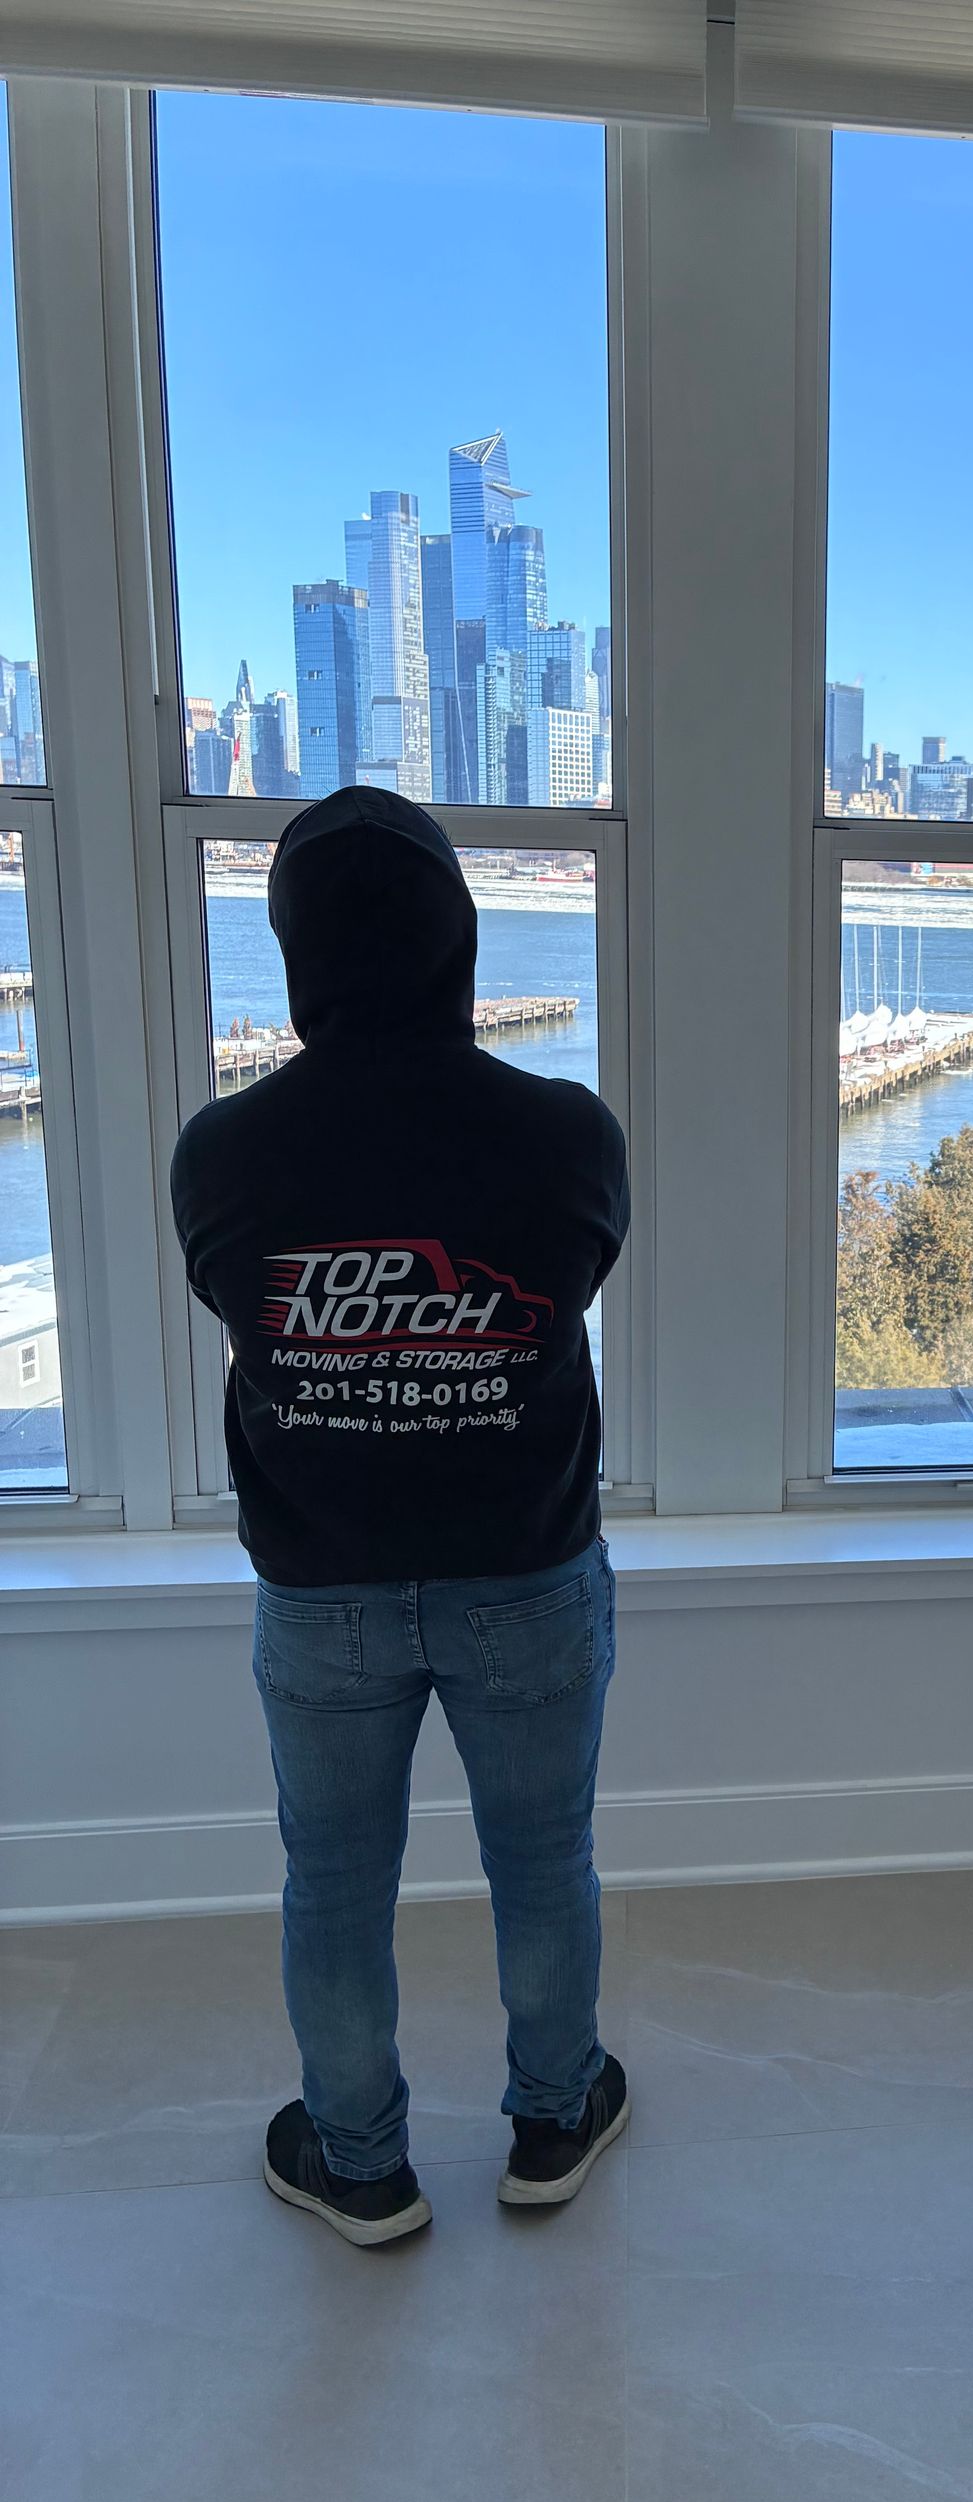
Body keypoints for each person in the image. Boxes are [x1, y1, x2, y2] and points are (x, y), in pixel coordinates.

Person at [171, 788, 631, 2248]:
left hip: (322, 1592)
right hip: (527, 1576)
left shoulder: (223, 1156)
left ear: (296, 947)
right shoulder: (566, 1137)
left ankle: (359, 2159)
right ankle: (553, 2118)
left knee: (335, 1879)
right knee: (544, 1858)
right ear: (461, 940)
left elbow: (241, 1308)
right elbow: (574, 1276)